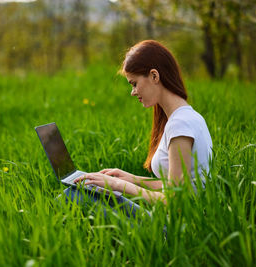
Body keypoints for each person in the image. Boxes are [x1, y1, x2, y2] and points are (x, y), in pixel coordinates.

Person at [63, 40, 212, 216]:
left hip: (174, 231)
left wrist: (119, 186)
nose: (133, 92)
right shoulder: (188, 117)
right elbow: (177, 186)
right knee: (84, 192)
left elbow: (176, 202)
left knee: (73, 195)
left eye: (134, 83)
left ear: (154, 76)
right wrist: (133, 179)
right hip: (175, 222)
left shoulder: (180, 125)